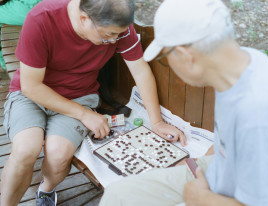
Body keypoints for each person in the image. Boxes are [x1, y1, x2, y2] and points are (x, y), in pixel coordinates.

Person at [0, 0, 186, 205]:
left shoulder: (118, 25)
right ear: (84, 19)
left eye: (117, 34)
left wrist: (157, 122)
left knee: (58, 155)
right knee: (26, 149)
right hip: (32, 95)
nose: (115, 39)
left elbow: (141, 71)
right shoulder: (41, 18)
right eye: (108, 35)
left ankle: (45, 190)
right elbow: (31, 86)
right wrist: (84, 114)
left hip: (79, 96)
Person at [99, 0, 268, 205]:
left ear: (185, 55)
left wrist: (201, 199)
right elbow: (227, 140)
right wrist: (196, 164)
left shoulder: (258, 115)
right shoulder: (243, 63)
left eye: (164, 58)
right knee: (118, 195)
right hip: (220, 168)